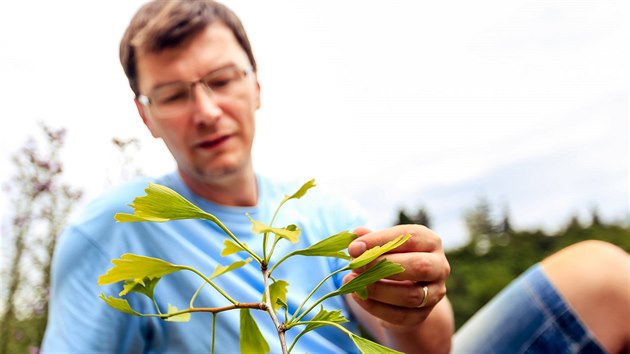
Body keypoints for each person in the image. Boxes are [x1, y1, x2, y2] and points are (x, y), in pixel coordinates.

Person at [41, 1, 629, 353]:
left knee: (605, 276)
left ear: (256, 84)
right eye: (172, 95)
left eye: (221, 80)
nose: (206, 110)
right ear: (145, 115)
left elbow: (429, 347)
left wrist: (415, 301)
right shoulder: (114, 231)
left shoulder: (325, 216)